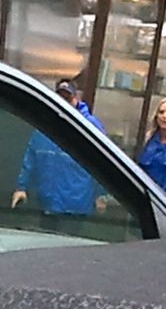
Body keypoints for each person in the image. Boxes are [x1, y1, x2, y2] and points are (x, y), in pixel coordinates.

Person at [12, 79, 105, 219]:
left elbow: (101, 162)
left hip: (76, 208)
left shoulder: (90, 127)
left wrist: (100, 195)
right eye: (60, 98)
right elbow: (30, 158)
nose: (64, 104)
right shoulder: (44, 126)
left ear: (76, 99)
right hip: (46, 204)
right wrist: (21, 187)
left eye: (68, 99)